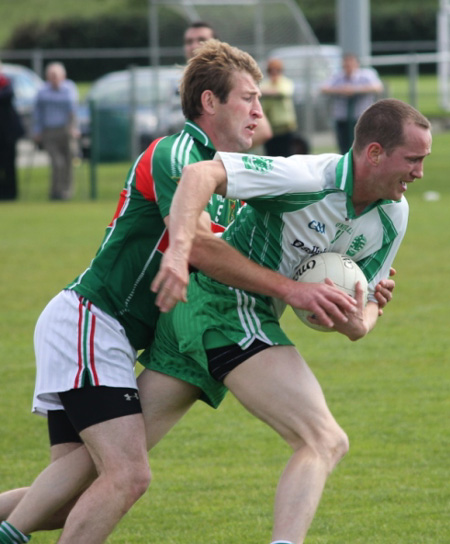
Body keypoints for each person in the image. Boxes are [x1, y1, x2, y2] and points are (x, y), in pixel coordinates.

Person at [0, 42, 395, 543]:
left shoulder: (233, 176)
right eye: (248, 99)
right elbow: (203, 251)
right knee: (127, 475)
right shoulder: (180, 153)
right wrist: (292, 289)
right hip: (93, 319)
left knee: (69, 496)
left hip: (117, 335)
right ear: (210, 103)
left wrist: (358, 293)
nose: (259, 111)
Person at [148, 98, 432, 543]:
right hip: (221, 304)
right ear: (375, 153)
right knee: (324, 440)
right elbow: (200, 173)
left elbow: (361, 321)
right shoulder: (306, 177)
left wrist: (357, 314)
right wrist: (182, 250)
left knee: (113, 475)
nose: (419, 173)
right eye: (412, 160)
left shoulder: (394, 216)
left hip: (217, 317)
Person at [183, 20, 273, 149]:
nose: (193, 46)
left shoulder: (230, 79)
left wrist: (222, 159)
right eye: (189, 42)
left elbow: (263, 131)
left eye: (201, 40)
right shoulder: (186, 82)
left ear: (217, 44)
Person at [32, 62, 79, 201]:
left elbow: (73, 111)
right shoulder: (42, 92)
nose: (54, 79)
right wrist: (37, 130)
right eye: (51, 76)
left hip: (66, 130)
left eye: (56, 76)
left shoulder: (69, 89)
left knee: (69, 161)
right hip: (49, 131)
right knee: (57, 162)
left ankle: (67, 191)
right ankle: (55, 192)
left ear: (63, 76)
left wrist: (74, 127)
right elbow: (37, 113)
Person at [321, 53, 384, 154]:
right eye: (345, 64)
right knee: (344, 146)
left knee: (362, 145)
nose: (348, 67)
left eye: (350, 64)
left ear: (356, 64)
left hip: (361, 117)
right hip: (342, 117)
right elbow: (324, 88)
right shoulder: (337, 77)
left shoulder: (366, 75)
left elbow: (377, 87)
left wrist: (355, 90)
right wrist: (341, 90)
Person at [260, 58, 300, 157]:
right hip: (270, 128)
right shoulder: (265, 84)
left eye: (276, 70)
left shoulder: (286, 82)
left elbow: (283, 92)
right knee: (270, 156)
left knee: (286, 156)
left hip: (285, 128)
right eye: (271, 70)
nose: (274, 73)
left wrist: (267, 92)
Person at [0, 61, 24, 200]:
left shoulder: (7, 82)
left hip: (8, 132)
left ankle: (10, 194)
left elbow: (7, 96)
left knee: (9, 164)